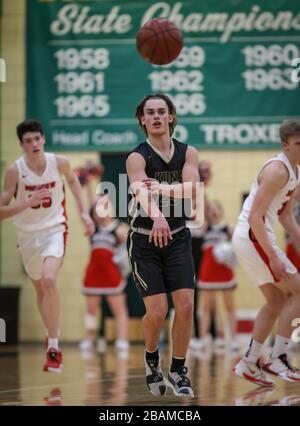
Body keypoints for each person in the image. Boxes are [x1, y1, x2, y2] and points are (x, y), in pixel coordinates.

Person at [0, 119, 95, 372]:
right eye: (28, 140)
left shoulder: (59, 162)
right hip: (27, 237)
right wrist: (26, 203)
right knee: (40, 288)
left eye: (37, 138)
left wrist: (84, 213)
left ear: (43, 139)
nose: (34, 144)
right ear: (21, 144)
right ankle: (49, 336)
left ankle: (53, 347)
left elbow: (73, 181)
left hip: (55, 229)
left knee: (50, 280)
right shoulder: (14, 171)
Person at [126, 93, 200, 398]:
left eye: (162, 111)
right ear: (142, 120)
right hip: (144, 239)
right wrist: (157, 216)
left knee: (185, 305)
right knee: (157, 311)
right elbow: (141, 193)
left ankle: (178, 370)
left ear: (171, 116)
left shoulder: (188, 152)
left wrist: (165, 188)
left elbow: (193, 191)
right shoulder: (137, 157)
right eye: (150, 112)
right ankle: (152, 358)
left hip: (178, 237)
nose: (156, 116)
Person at [232, 119, 300, 386]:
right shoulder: (277, 170)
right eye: (298, 143)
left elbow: (285, 217)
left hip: (255, 237)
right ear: (285, 145)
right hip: (253, 236)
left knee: (276, 301)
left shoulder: (295, 171)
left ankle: (249, 362)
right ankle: (278, 357)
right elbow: (255, 217)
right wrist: (273, 255)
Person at [80, 178, 130, 355]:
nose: (101, 212)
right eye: (97, 209)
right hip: (94, 273)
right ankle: (88, 338)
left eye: (105, 207)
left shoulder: (119, 227)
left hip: (111, 274)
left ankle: (122, 340)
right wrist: (88, 186)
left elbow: (130, 248)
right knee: (91, 310)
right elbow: (87, 208)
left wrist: (122, 259)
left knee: (119, 309)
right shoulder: (92, 228)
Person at [197, 200, 238, 353]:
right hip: (208, 273)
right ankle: (202, 339)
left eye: (216, 208)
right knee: (206, 308)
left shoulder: (228, 228)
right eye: (211, 209)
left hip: (225, 272)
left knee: (230, 308)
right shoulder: (204, 227)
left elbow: (238, 244)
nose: (214, 211)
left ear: (221, 211)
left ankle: (232, 340)